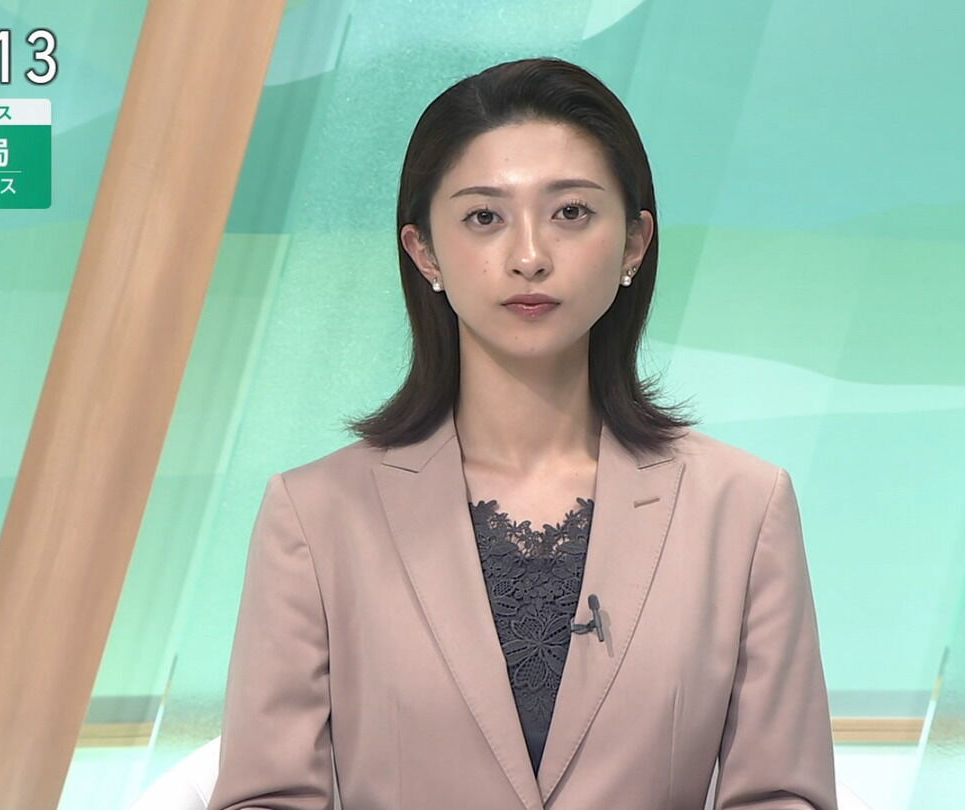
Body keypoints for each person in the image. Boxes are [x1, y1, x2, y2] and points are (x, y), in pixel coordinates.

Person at [208, 57, 837, 810]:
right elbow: (266, 797)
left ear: (634, 243)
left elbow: (782, 795)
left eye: (570, 212)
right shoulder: (316, 515)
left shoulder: (743, 508)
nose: (530, 257)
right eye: (485, 217)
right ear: (425, 251)